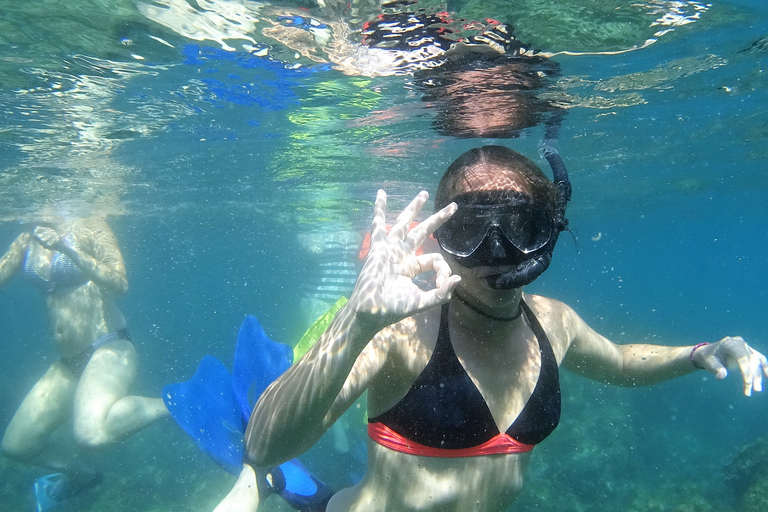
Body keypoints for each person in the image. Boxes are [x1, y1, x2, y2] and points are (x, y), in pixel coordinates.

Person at [214, 144, 767, 512]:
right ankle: (289, 486)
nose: (496, 254)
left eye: (520, 226)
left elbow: (621, 362)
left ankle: (299, 488)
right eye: (472, 230)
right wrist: (356, 322)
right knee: (272, 471)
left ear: (547, 233)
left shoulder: (554, 322)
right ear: (439, 240)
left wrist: (701, 351)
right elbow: (262, 445)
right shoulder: (399, 332)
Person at [0, 217, 169, 510]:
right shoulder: (30, 235)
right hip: (68, 363)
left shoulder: (92, 224)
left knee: (92, 435)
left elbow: (120, 283)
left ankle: (175, 402)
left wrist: (69, 250)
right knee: (16, 445)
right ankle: (84, 475)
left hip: (109, 345)